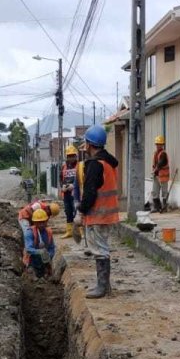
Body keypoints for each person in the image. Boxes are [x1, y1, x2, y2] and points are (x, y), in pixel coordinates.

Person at [76, 125, 119, 299]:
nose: (85, 146)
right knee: (102, 247)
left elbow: (90, 193)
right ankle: (104, 286)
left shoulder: (94, 165)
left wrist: (81, 211)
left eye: (86, 143)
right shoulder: (108, 162)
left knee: (100, 250)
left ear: (89, 144)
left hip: (97, 215)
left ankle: (102, 287)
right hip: (107, 214)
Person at [22, 208, 56, 279]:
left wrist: (49, 255)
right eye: (39, 222)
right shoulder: (29, 232)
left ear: (46, 221)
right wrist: (39, 252)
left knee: (48, 277)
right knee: (32, 277)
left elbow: (52, 247)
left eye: (43, 222)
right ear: (34, 222)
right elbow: (28, 248)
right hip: (32, 262)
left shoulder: (48, 232)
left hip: (44, 262)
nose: (41, 224)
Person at [60, 145, 81, 238]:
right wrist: (62, 186)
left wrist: (75, 186)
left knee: (76, 211)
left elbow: (82, 178)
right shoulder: (64, 167)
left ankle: (80, 231)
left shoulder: (79, 165)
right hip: (66, 193)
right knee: (68, 211)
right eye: (69, 156)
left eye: (72, 155)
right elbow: (61, 179)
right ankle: (69, 231)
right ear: (66, 157)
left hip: (76, 193)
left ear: (76, 156)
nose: (71, 157)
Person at [151, 135, 171, 212]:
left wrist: (155, 170)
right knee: (155, 192)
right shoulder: (156, 153)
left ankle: (164, 207)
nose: (158, 146)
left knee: (164, 193)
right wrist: (154, 171)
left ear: (162, 145)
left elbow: (161, 163)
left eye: (159, 144)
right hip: (156, 176)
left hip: (163, 176)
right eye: (157, 144)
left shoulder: (163, 154)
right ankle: (157, 207)